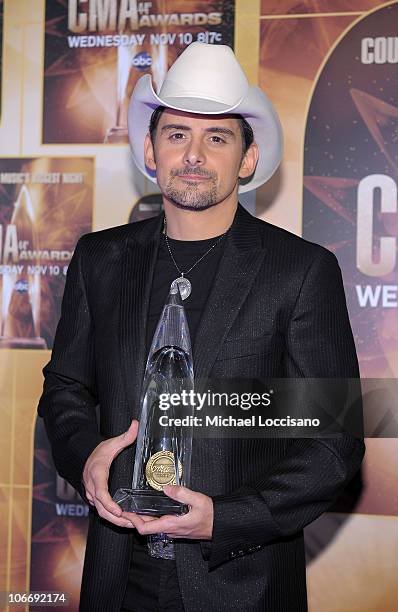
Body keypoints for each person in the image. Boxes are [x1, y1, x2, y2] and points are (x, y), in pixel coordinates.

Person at [37, 42, 365, 612]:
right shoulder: (100, 259)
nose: (193, 154)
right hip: (118, 579)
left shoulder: (301, 270)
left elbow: (333, 444)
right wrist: (88, 455)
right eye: (176, 134)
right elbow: (65, 388)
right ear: (150, 148)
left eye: (216, 137)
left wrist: (227, 519)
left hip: (242, 581)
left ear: (246, 159)